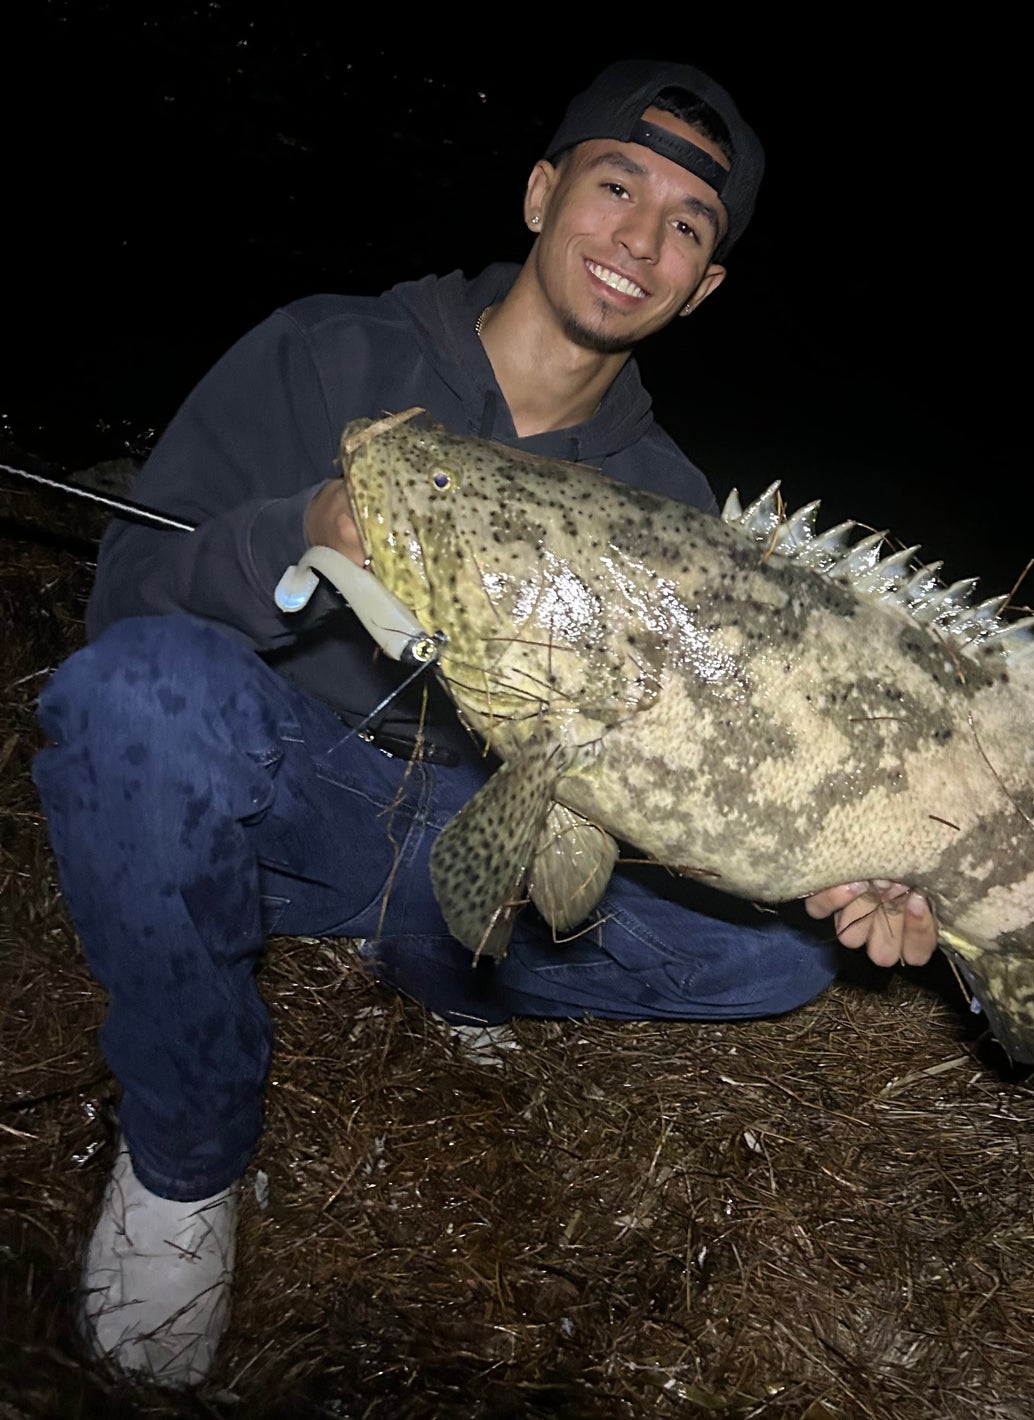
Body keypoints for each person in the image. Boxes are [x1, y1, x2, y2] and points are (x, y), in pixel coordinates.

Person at [33, 59, 936, 1389]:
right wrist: (305, 534)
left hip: (481, 816)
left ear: (706, 286)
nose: (639, 239)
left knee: (784, 960)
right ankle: (185, 1161)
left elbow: (668, 779)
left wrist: (851, 857)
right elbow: (130, 598)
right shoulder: (328, 352)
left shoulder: (679, 513)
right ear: (540, 191)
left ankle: (440, 957)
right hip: (274, 779)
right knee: (133, 698)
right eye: (616, 186)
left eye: (688, 225)